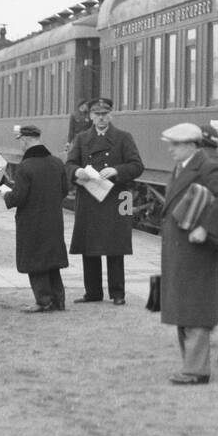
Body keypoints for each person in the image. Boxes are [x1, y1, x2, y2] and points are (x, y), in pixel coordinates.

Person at [159, 122, 218, 385]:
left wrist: (206, 228)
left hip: (195, 250)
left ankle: (196, 370)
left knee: (194, 307)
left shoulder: (205, 166)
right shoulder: (183, 166)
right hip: (180, 250)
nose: (171, 149)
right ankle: (191, 366)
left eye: (176, 144)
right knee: (184, 307)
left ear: (192, 145)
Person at [65, 97, 143, 305]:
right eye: (97, 115)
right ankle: (93, 292)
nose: (101, 119)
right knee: (89, 244)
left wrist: (117, 170)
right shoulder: (81, 139)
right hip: (89, 195)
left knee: (116, 244)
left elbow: (137, 166)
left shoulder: (124, 138)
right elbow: (69, 164)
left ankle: (118, 293)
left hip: (118, 197)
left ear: (111, 115)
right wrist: (78, 171)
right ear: (90, 116)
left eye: (105, 114)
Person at [2, 124, 69, 312]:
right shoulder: (56, 163)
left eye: (21, 142)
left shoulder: (26, 166)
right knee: (52, 262)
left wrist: (6, 195)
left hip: (31, 222)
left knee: (35, 261)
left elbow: (18, 197)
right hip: (54, 220)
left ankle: (43, 300)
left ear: (25, 140)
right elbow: (64, 190)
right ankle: (58, 301)